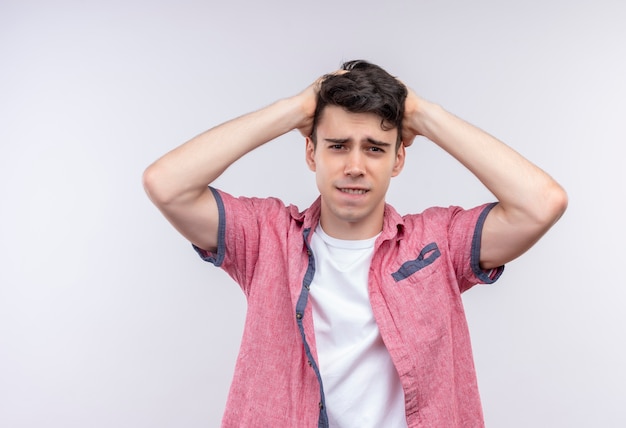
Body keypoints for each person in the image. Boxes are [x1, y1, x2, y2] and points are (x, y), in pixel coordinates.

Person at [143, 60, 567, 427]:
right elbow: (167, 185)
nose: (355, 166)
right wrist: (295, 109)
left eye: (375, 149)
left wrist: (422, 113)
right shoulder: (266, 238)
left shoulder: (436, 244)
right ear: (312, 153)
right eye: (338, 146)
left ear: (398, 159)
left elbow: (541, 204)